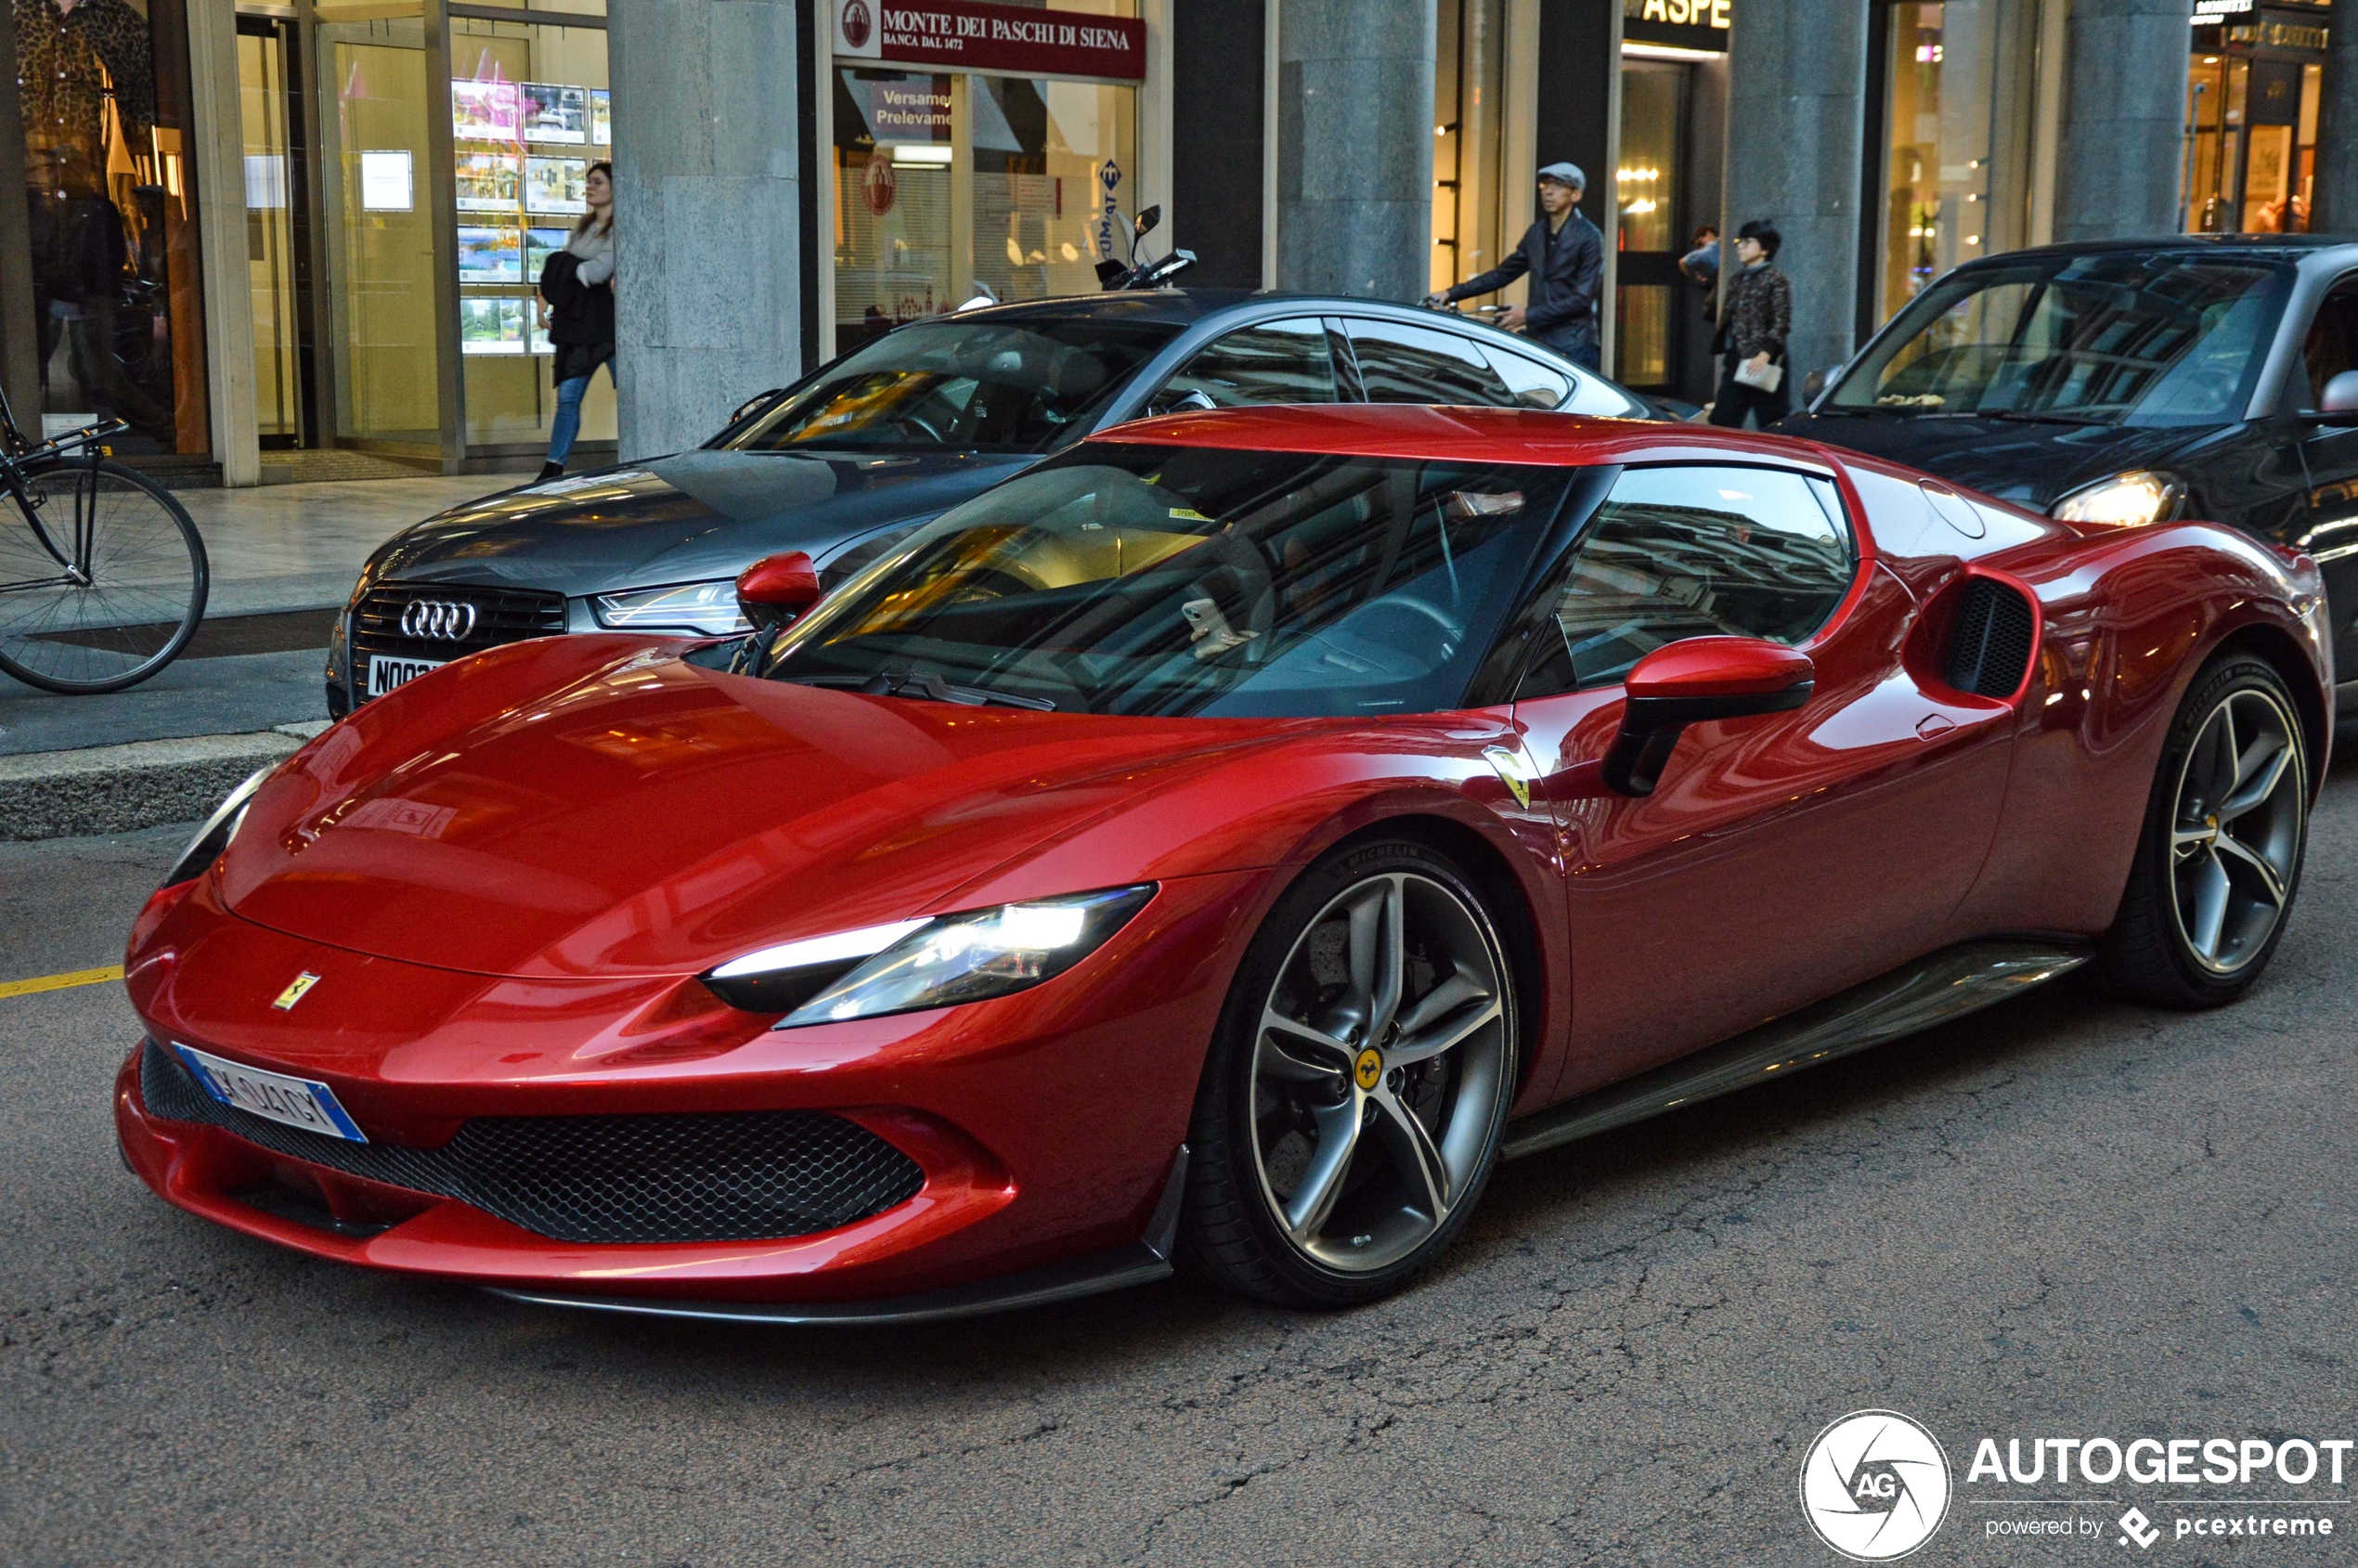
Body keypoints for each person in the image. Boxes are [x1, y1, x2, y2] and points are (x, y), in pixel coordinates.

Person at [1421, 162, 1603, 370]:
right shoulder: (1537, 232)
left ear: (1575, 195)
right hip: (1539, 341)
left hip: (1575, 343)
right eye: (1545, 185)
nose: (1549, 192)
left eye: (1559, 186)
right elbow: (1502, 274)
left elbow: (1581, 299)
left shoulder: (1589, 237)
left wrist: (1527, 315)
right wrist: (1451, 293)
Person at [535, 160, 615, 481]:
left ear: (614, 188)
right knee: (568, 398)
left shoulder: (619, 227)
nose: (590, 187)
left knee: (632, 391)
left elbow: (596, 270)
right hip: (579, 326)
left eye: (597, 182)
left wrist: (568, 270)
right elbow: (577, 272)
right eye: (589, 181)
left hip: (608, 326)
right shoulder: (583, 227)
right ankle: (554, 466)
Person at [1708, 219, 1793, 429]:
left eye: (1747, 241)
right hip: (1736, 358)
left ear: (1764, 248)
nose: (1739, 246)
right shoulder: (1736, 279)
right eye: (1738, 241)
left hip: (1764, 361)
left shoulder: (1776, 279)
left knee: (1772, 422)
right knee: (1723, 419)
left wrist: (1765, 353)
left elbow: (1781, 320)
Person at [1680, 225, 1720, 322]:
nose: (1700, 248)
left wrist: (1691, 274)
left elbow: (1684, 261)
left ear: (1709, 234)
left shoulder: (1715, 246)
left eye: (1700, 243)